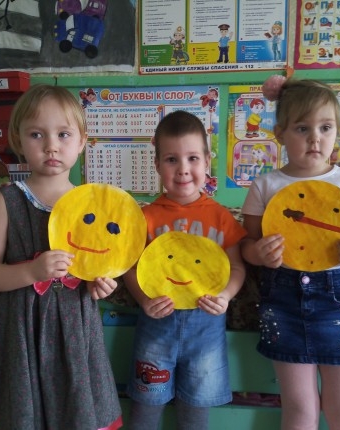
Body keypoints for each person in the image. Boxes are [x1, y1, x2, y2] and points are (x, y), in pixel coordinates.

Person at [241, 76, 340, 430]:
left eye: (325, 127)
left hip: (339, 300)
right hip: (283, 302)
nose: (315, 138)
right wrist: (259, 253)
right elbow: (246, 245)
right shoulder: (265, 185)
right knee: (299, 410)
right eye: (302, 128)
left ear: (337, 131)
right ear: (280, 133)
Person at [0, 84, 122, 430]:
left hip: (76, 327)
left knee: (77, 407)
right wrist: (31, 271)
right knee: (24, 411)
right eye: (37, 134)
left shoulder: (92, 205)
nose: (51, 145)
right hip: (21, 329)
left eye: (63, 134)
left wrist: (100, 284)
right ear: (18, 140)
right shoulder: (7, 201)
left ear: (82, 142)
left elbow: (97, 266)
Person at [123, 110, 247, 430]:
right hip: (156, 323)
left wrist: (226, 295)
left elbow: (236, 266)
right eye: (171, 160)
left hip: (206, 325)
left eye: (192, 158)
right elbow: (130, 267)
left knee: (195, 413)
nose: (183, 169)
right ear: (157, 165)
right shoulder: (145, 218)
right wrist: (143, 300)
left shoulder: (220, 217)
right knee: (145, 408)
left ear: (207, 162)